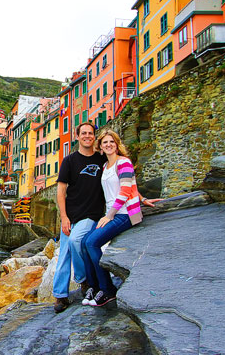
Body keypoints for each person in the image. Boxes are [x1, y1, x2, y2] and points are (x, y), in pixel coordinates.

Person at [80, 129, 160, 307]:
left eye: (112, 142)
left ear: (117, 145)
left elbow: (125, 190)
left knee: (92, 243)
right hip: (113, 213)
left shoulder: (123, 162)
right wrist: (142, 197)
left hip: (124, 214)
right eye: (105, 142)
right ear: (100, 146)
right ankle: (94, 287)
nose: (108, 145)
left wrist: (109, 215)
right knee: (84, 243)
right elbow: (131, 184)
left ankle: (108, 290)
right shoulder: (105, 167)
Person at [53, 122, 107, 313]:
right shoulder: (69, 161)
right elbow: (61, 190)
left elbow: (120, 176)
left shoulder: (102, 159)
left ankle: (83, 280)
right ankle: (60, 296)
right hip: (71, 215)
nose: (87, 136)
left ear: (94, 136)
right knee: (64, 255)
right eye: (83, 133)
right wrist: (64, 217)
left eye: (90, 133)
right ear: (77, 137)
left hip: (91, 214)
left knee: (77, 241)